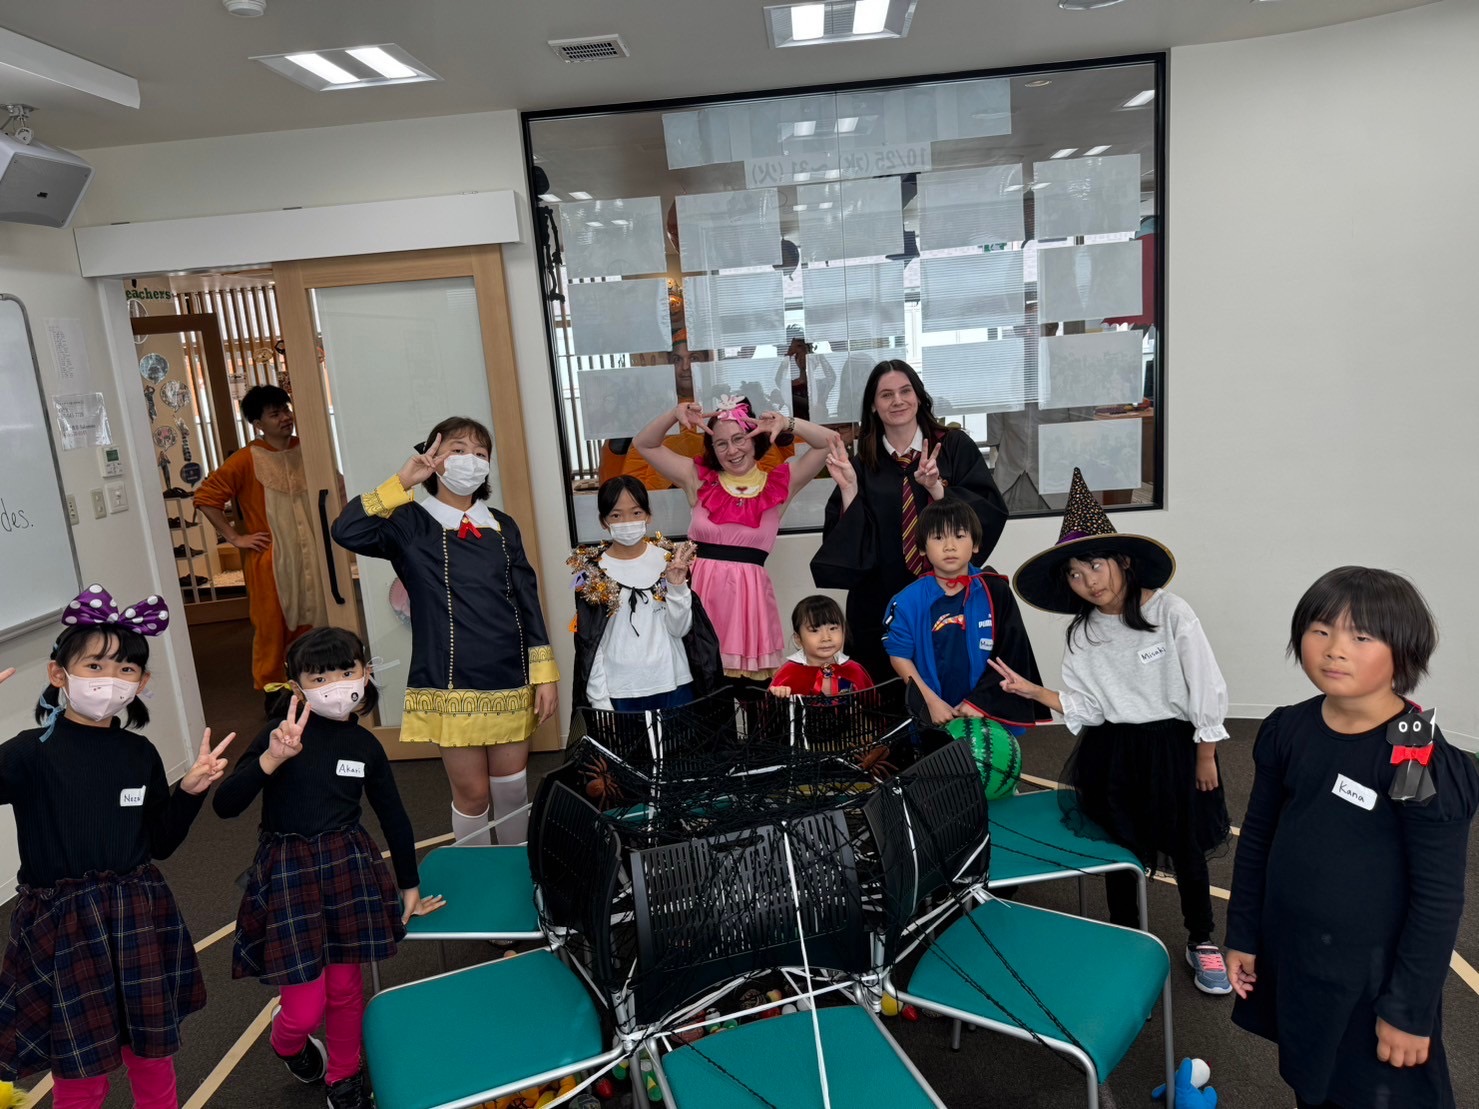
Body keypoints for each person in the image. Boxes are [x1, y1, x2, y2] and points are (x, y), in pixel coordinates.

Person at [1224, 567, 1478, 1109]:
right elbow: (1259, 838)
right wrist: (1243, 933)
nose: (1335, 649)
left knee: (1375, 1091)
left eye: (1361, 637)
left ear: (1403, 652)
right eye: (1320, 630)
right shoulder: (1289, 727)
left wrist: (1408, 1011)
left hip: (1373, 976)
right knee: (1312, 1077)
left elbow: (1438, 896)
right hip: (1298, 954)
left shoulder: (1414, 754)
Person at [988, 468, 1233, 994]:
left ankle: (1202, 938)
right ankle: (1129, 937)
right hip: (1114, 751)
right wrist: (1034, 691)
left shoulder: (1171, 612)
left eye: (1095, 565)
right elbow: (1090, 708)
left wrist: (1206, 751)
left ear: (1123, 561)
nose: (1089, 581)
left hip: (1174, 746)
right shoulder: (1083, 633)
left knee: (1185, 844)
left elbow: (1205, 683)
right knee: (1122, 849)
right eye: (1075, 574)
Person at [0, 585, 232, 1107]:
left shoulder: (139, 753)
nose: (110, 679)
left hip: (136, 914)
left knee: (151, 1055)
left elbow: (160, 843)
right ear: (58, 674)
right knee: (80, 1068)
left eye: (126, 669)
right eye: (95, 665)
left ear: (142, 683)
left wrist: (190, 792)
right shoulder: (28, 755)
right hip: (63, 926)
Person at [213, 627, 444, 1109]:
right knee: (304, 1008)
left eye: (345, 671)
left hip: (346, 867)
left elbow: (394, 816)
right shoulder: (280, 735)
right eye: (319, 677)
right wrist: (271, 759)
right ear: (296, 687)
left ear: (366, 673)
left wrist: (409, 885)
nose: (336, 685)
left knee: (344, 989)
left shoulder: (365, 746)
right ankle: (287, 1043)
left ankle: (343, 1075)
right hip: (289, 872)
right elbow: (225, 805)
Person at [331, 416, 559, 848]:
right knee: (472, 795)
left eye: (480, 453)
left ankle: (517, 872)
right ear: (434, 457)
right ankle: (473, 876)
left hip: (510, 674)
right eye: (458, 449)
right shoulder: (409, 522)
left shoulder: (503, 525)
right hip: (449, 679)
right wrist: (403, 481)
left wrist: (545, 675)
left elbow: (527, 601)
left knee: (513, 790)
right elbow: (347, 530)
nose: (471, 460)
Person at [812, 359, 1008, 681]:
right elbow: (845, 548)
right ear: (873, 406)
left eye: (905, 391)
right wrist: (849, 490)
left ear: (918, 396)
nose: (898, 401)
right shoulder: (862, 464)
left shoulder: (953, 447)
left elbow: (988, 513)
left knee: (952, 688)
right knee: (887, 695)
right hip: (880, 605)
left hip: (948, 598)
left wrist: (937, 489)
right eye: (886, 395)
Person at [633, 395, 843, 684]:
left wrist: (786, 423)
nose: (732, 450)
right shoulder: (697, 478)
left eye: (739, 438)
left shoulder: (780, 484)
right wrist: (674, 414)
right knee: (704, 696)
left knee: (753, 699)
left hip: (749, 608)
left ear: (755, 438)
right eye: (721, 443)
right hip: (699, 600)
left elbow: (830, 441)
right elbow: (644, 444)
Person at [195, 384, 327, 708]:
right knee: (271, 627)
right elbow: (207, 498)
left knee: (316, 617)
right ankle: (274, 695)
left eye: (286, 410)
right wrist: (235, 537)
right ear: (258, 423)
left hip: (312, 555)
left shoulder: (309, 449)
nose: (285, 418)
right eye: (275, 414)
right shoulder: (245, 459)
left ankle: (316, 685)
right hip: (270, 560)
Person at [883, 499, 1049, 728]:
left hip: (988, 710)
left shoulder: (995, 590)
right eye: (938, 537)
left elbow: (1012, 651)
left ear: (975, 544)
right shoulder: (906, 601)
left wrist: (980, 702)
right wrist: (930, 702)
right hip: (935, 712)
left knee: (992, 752)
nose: (949, 546)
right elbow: (899, 655)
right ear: (922, 548)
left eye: (959, 536)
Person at [568, 475, 721, 716]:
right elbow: (590, 644)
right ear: (603, 521)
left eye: (636, 512)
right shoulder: (593, 572)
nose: (627, 522)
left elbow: (680, 629)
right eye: (616, 515)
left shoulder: (669, 561)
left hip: (674, 684)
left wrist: (677, 587)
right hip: (620, 692)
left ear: (648, 515)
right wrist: (600, 701)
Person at [769, 595, 874, 698]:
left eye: (833, 628)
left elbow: (873, 705)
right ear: (798, 638)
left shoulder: (854, 670)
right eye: (814, 630)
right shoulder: (788, 673)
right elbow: (768, 707)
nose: (826, 638)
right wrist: (779, 696)